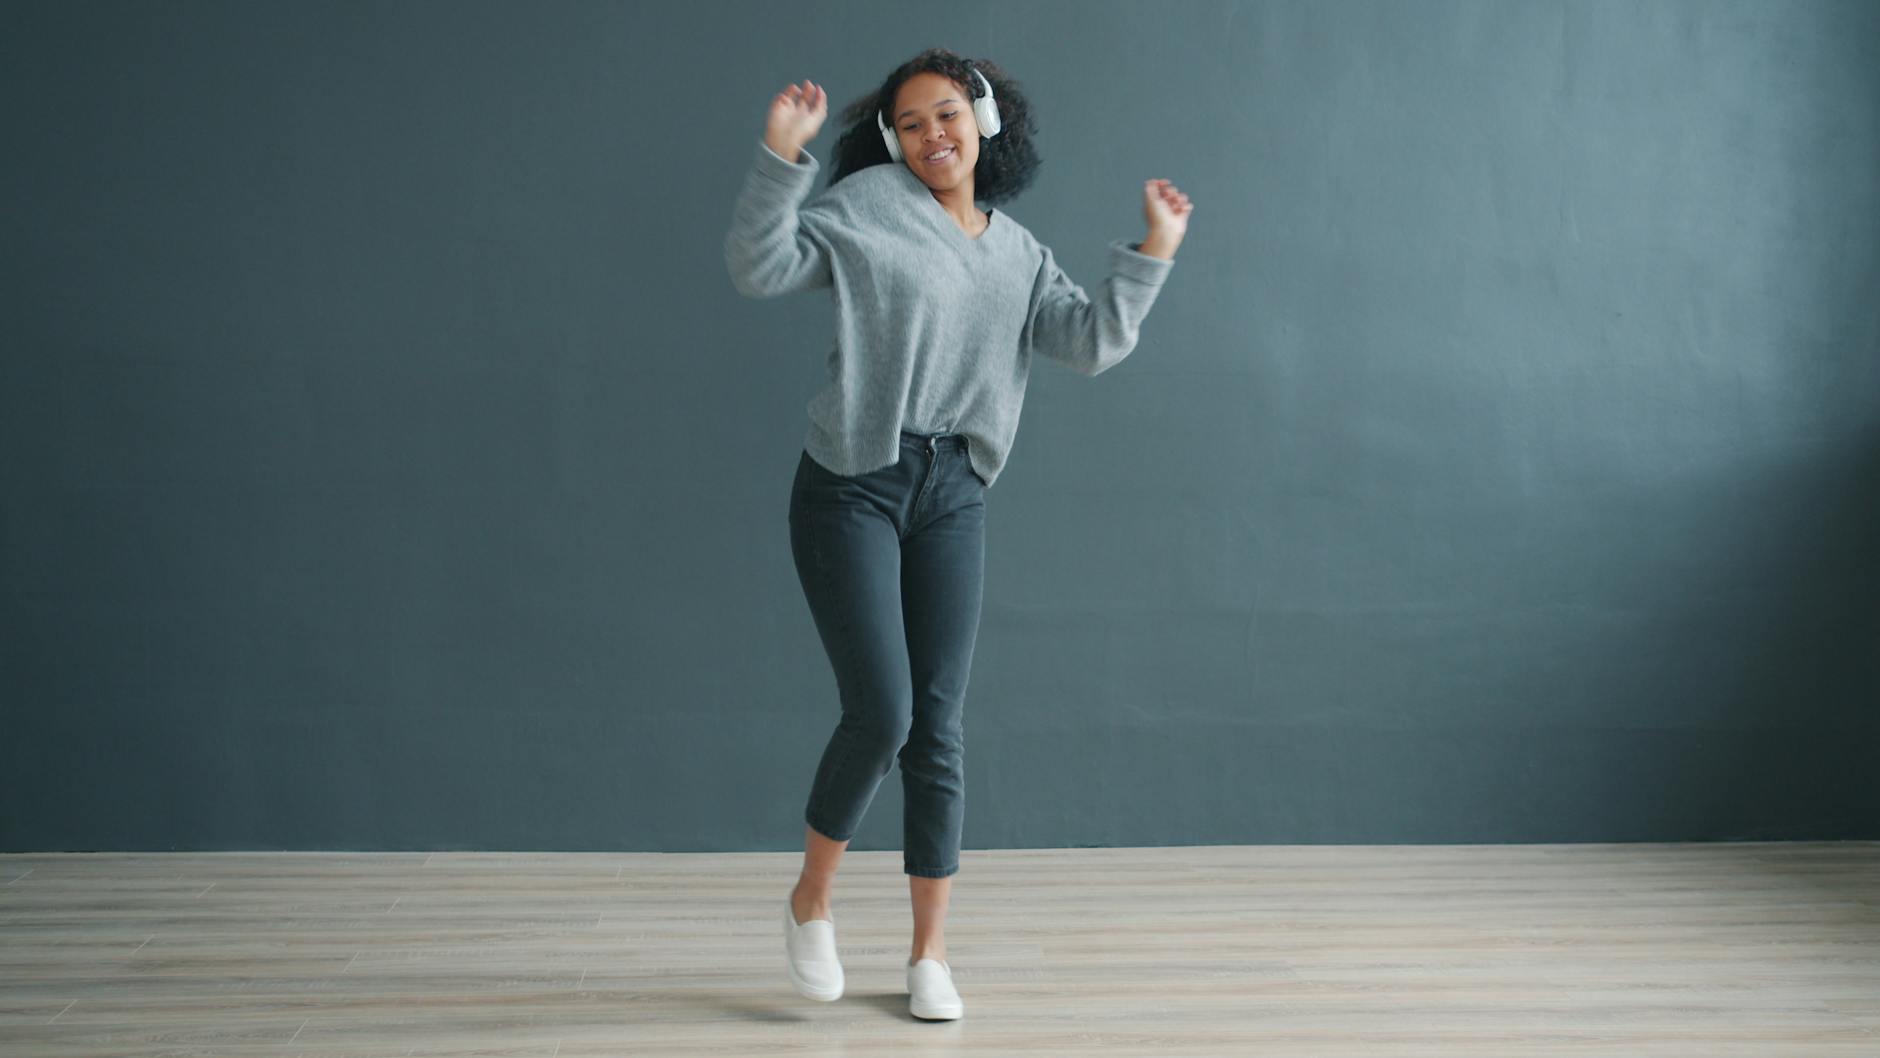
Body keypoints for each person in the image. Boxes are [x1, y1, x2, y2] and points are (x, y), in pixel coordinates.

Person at [723, 47, 1193, 1021]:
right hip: (852, 482)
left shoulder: (1017, 252)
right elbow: (759, 266)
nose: (931, 133)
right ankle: (810, 898)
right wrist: (779, 157)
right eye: (910, 122)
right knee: (883, 713)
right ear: (893, 141)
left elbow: (1090, 342)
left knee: (939, 727)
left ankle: (929, 954)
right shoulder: (868, 207)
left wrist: (1154, 249)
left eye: (946, 113)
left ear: (983, 120)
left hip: (953, 491)